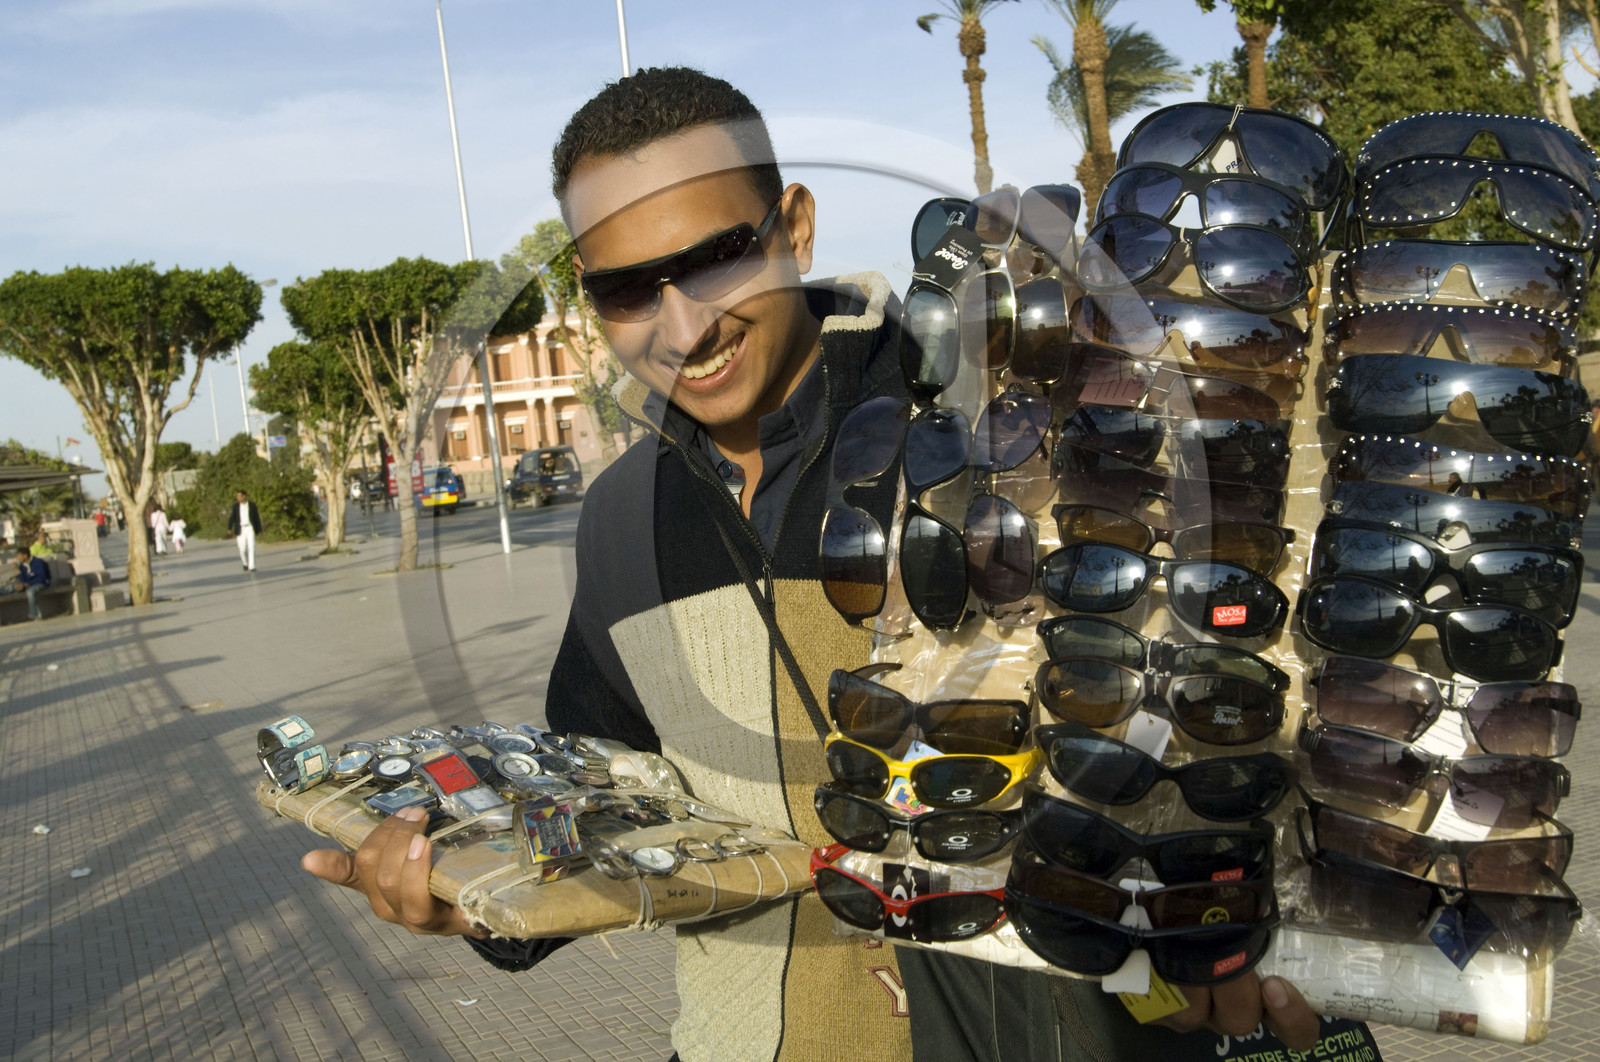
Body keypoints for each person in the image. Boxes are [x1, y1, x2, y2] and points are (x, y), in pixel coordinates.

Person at [301, 67, 1322, 1061]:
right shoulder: (620, 520)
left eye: (716, 258)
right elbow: (604, 801)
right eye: (625, 289)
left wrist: (1233, 914)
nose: (684, 324)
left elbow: (1236, 698)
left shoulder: (999, 430)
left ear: (793, 227)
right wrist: (478, 905)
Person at [228, 490, 261, 571]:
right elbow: (232, 517)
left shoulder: (252, 505)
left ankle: (252, 566)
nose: (238, 498)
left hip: (250, 528)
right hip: (241, 529)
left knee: (251, 547)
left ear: (244, 496)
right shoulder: (236, 507)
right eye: (237, 496)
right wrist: (229, 528)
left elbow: (257, 518)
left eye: (239, 496)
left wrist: (259, 530)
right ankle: (245, 563)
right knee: (242, 549)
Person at [17, 548, 50, 621]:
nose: (17, 558)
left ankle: (35, 615)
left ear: (25, 556)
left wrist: (28, 584)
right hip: (29, 585)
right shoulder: (22, 566)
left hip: (40, 584)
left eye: (19, 556)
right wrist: (19, 572)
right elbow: (23, 580)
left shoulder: (38, 563)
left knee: (30, 592)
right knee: (11, 588)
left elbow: (42, 578)